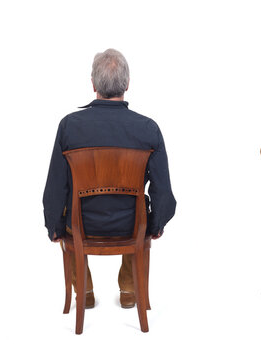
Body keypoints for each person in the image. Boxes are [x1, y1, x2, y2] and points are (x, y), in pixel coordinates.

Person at [43, 49, 176, 309]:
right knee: (141, 212)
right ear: (127, 84)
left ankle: (85, 291)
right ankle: (128, 288)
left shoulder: (69, 126)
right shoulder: (148, 128)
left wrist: (54, 227)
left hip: (81, 226)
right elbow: (164, 192)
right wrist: (156, 225)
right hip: (131, 227)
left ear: (93, 84)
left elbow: (56, 187)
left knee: (66, 216)